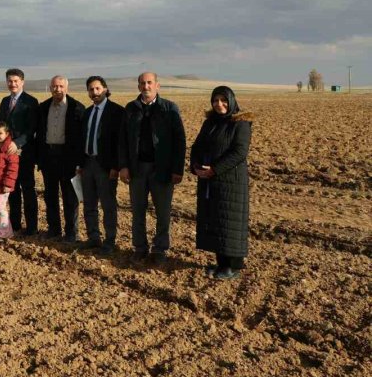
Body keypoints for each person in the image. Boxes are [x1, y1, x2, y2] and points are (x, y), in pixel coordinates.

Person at [119, 72, 186, 265]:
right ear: (138, 86)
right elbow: (122, 140)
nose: (146, 86)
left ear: (157, 86)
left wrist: (177, 169)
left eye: (149, 83)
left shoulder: (169, 108)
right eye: (142, 83)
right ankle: (140, 248)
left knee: (163, 212)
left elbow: (179, 141)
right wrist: (123, 166)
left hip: (162, 170)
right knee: (138, 211)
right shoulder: (131, 109)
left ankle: (160, 249)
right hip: (137, 169)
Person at [190, 86, 253, 280]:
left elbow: (239, 152)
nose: (219, 104)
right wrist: (196, 166)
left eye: (223, 100)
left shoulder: (241, 123)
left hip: (230, 182)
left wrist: (215, 169)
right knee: (216, 221)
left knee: (230, 222)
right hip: (210, 181)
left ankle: (233, 266)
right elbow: (197, 146)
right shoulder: (210, 123)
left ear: (231, 101)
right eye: (215, 101)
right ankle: (221, 264)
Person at [77, 76, 125, 255]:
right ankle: (93, 237)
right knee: (89, 203)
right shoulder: (87, 113)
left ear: (105, 89)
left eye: (97, 89)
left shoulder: (117, 112)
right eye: (91, 89)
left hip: (106, 166)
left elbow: (119, 142)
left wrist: (116, 166)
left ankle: (110, 240)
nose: (94, 92)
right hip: (88, 163)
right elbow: (82, 140)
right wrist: (80, 164)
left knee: (108, 205)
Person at [36, 76, 86, 242]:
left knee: (69, 197)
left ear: (67, 88)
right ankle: (54, 229)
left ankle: (71, 233)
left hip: (68, 158)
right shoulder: (43, 108)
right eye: (54, 86)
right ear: (50, 88)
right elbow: (39, 134)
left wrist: (80, 162)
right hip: (49, 156)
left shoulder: (77, 108)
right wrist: (40, 158)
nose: (57, 89)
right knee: (50, 195)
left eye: (60, 86)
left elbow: (81, 139)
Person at [0, 68, 39, 235]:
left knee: (28, 190)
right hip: (8, 155)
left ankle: (31, 228)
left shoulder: (31, 101)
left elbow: (32, 128)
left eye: (16, 81)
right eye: (10, 81)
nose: (13, 84)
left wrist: (18, 144)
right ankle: (15, 225)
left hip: (25, 154)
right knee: (12, 190)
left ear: (22, 82)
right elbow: (2, 126)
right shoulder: (4, 102)